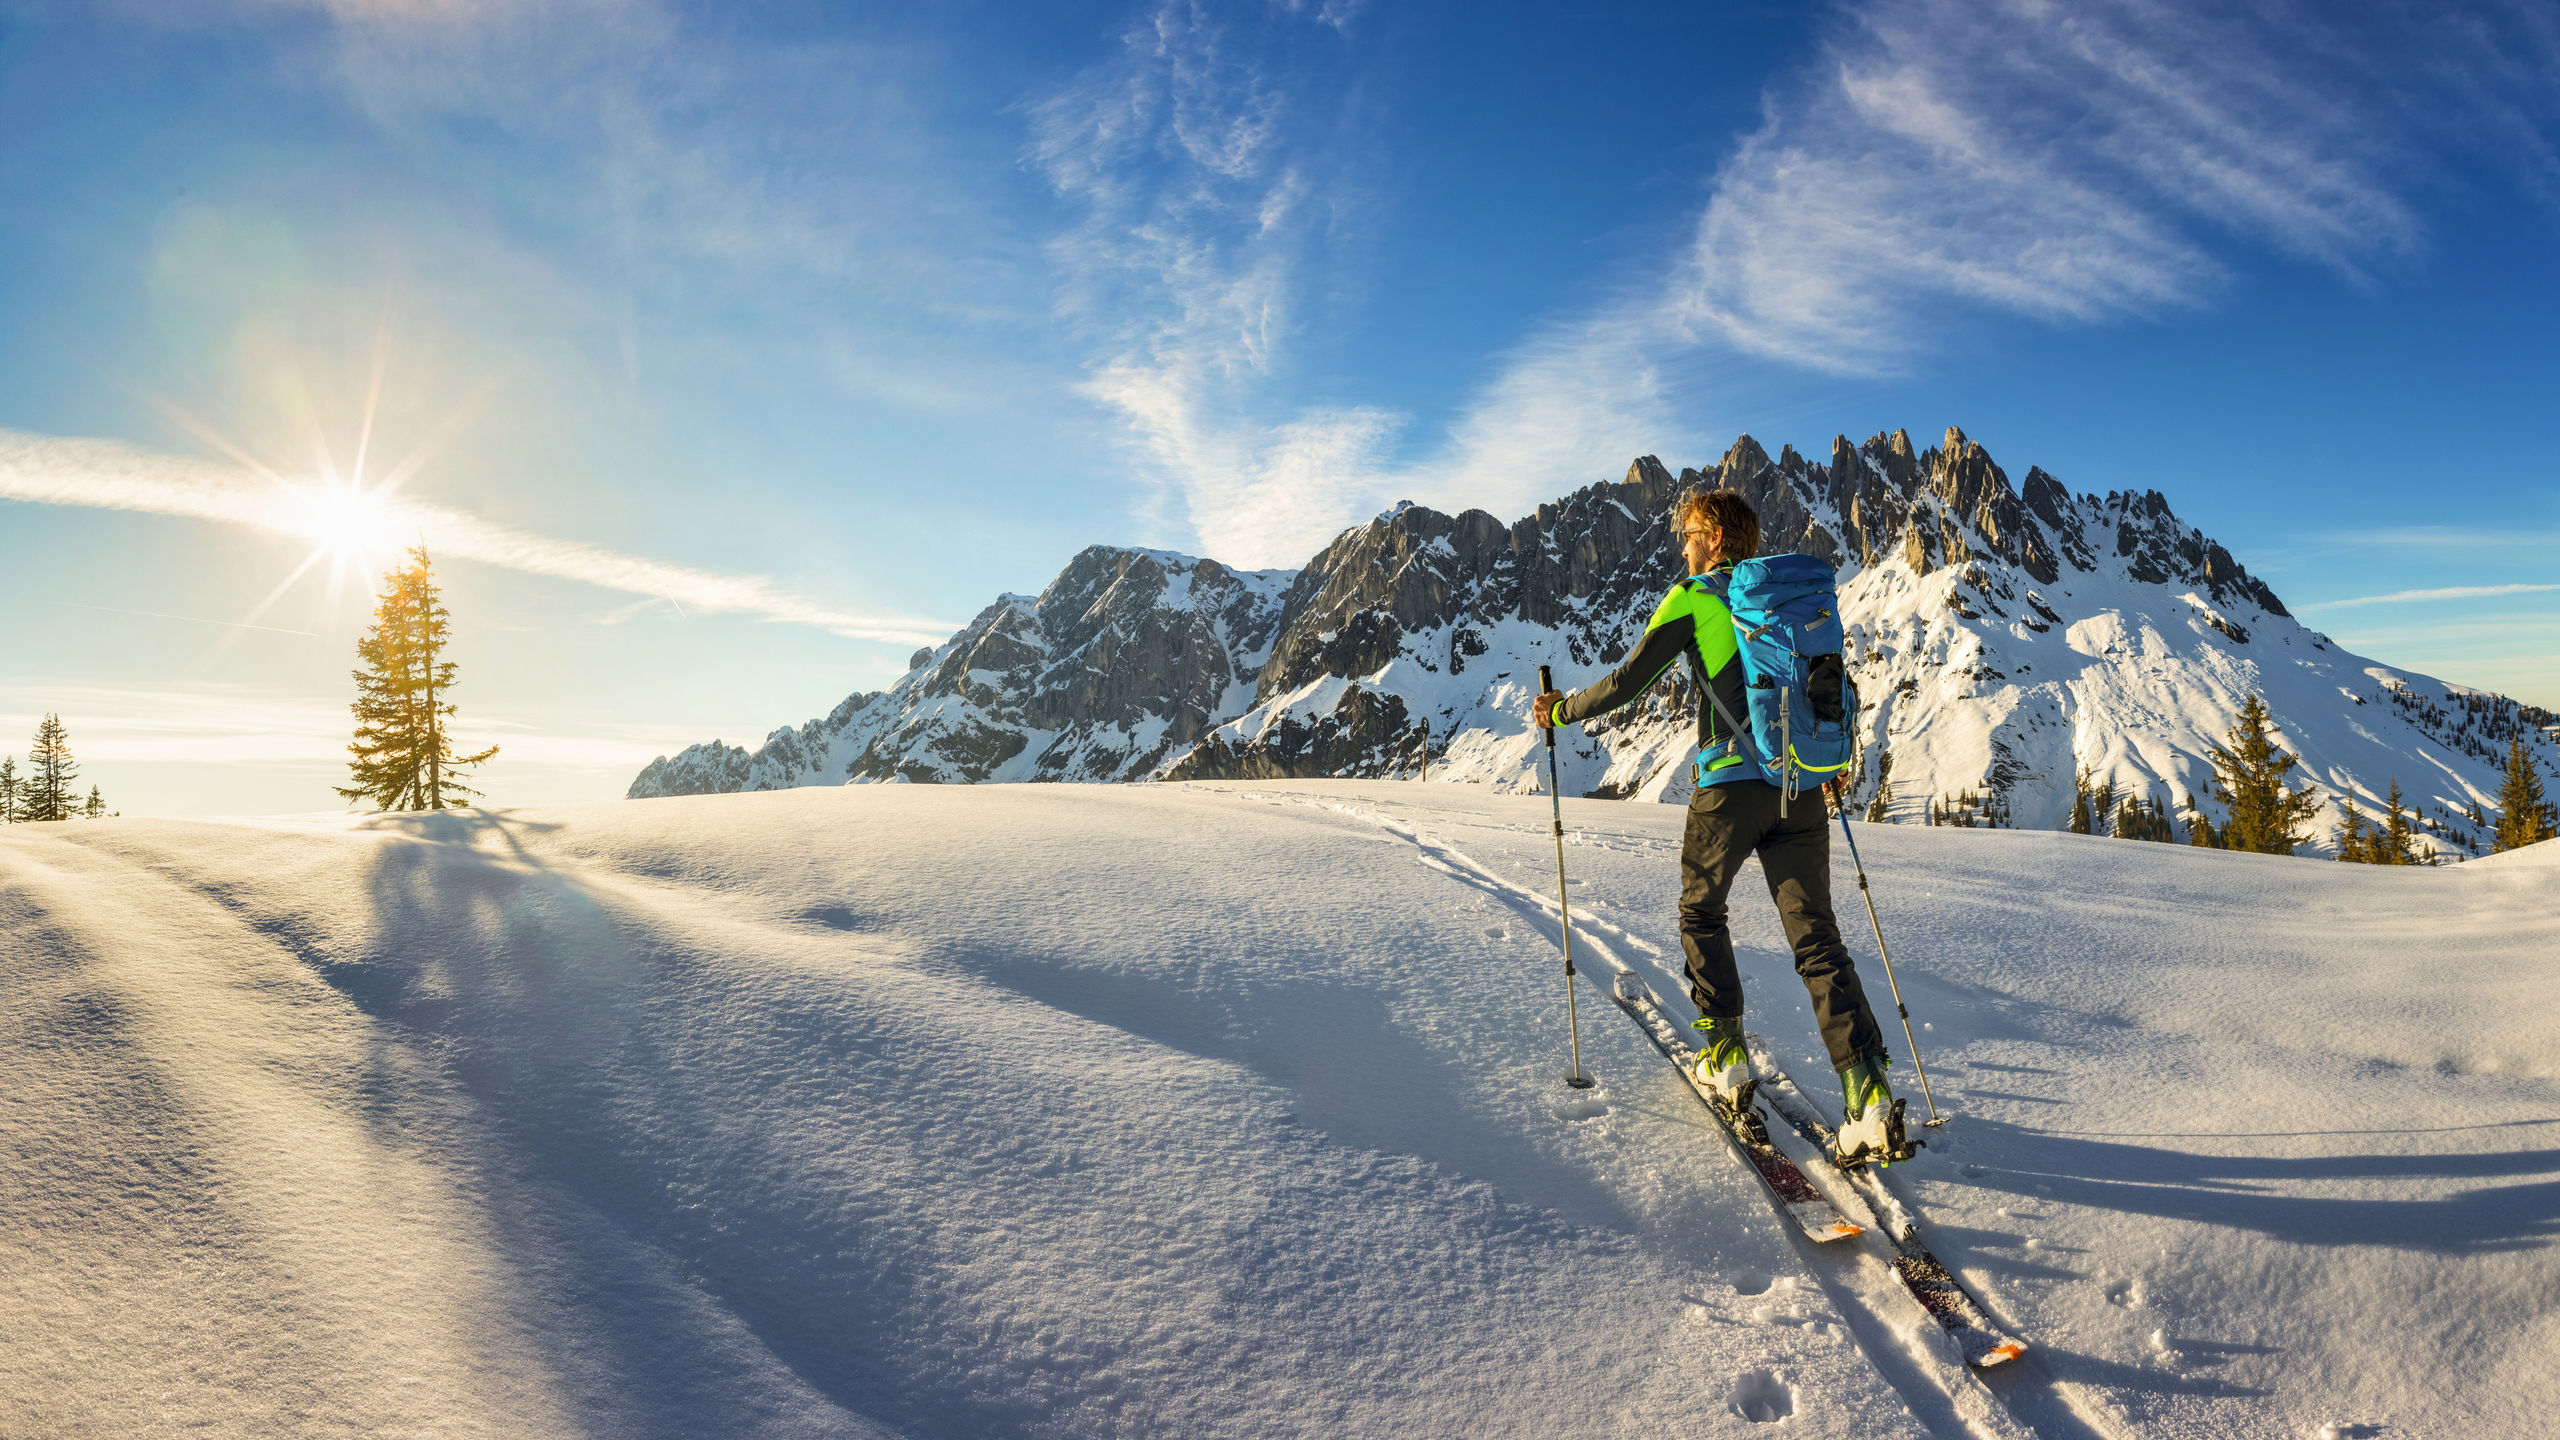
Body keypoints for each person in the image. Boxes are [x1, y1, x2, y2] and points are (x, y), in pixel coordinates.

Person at [1531, 488, 1903, 1163]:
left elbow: (1626, 682)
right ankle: (1869, 1097)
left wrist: (1559, 712)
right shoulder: (1787, 603)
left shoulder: (1695, 597)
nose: (1682, 546)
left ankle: (1726, 1055)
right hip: (1799, 789)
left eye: (1689, 534)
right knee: (1818, 940)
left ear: (1714, 535)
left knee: (1702, 914)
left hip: (1729, 788)